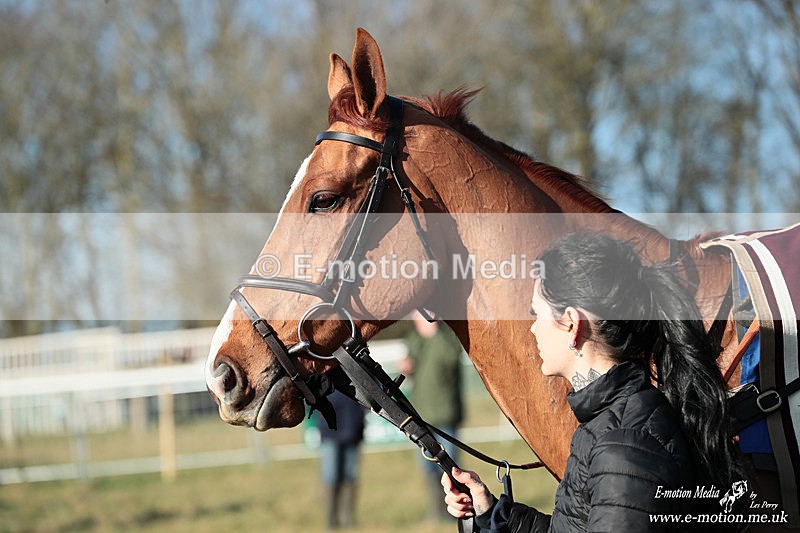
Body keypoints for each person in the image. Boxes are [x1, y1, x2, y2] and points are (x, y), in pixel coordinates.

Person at [442, 233, 746, 531]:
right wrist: (492, 514)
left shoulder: (625, 444)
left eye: (537, 314)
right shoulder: (608, 424)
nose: (532, 328)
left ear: (572, 324)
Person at [399, 311, 465, 521]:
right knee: (428, 467)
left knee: (450, 466)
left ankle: (457, 510)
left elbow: (451, 359)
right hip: (421, 417)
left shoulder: (447, 336)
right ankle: (437, 512)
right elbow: (410, 363)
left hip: (445, 414)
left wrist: (434, 333)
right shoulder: (413, 339)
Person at [316, 390, 365, 530]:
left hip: (354, 428)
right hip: (329, 430)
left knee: (350, 477)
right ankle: (331, 523)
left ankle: (349, 521)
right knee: (330, 477)